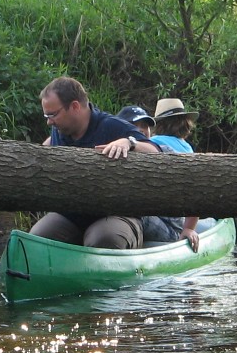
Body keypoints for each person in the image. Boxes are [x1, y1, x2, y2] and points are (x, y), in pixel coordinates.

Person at [29, 77, 160, 249]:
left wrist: (129, 143)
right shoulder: (58, 131)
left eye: (53, 115)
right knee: (35, 240)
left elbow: (156, 152)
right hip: (71, 215)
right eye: (46, 116)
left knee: (103, 240)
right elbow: (44, 149)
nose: (49, 121)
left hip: (115, 215)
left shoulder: (112, 126)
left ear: (75, 106)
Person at [141, 97, 203, 251]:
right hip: (175, 222)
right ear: (185, 123)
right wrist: (189, 228)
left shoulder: (151, 143)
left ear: (159, 124)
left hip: (158, 219)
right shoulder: (188, 149)